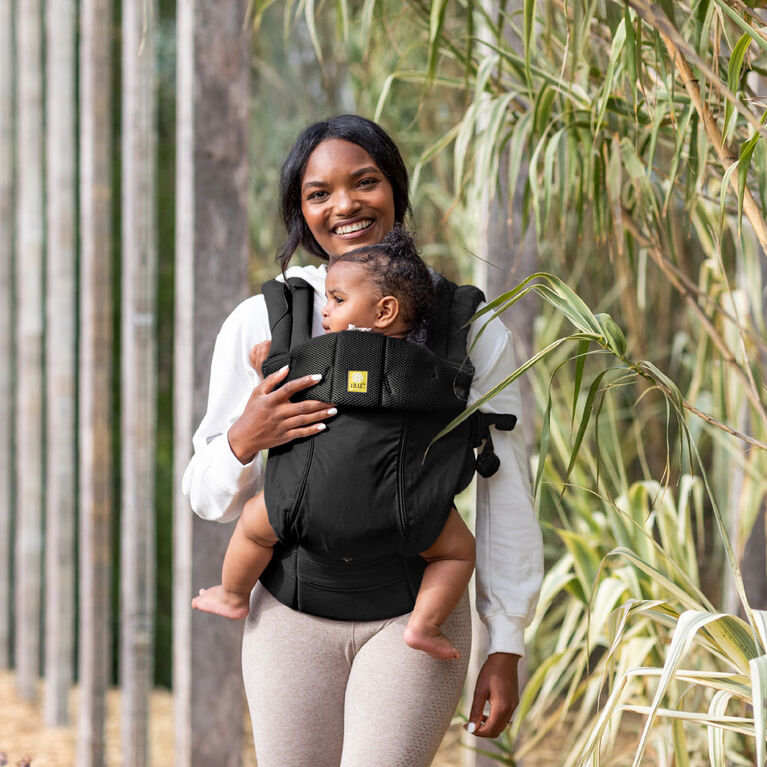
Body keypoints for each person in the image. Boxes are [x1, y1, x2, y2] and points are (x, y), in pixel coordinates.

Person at [182, 115, 543, 766]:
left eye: (364, 182)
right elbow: (206, 497)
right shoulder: (264, 320)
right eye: (318, 192)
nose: (343, 204)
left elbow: (504, 484)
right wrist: (243, 437)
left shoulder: (468, 327)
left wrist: (505, 641)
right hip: (289, 614)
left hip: (412, 621)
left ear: (395, 189)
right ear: (300, 210)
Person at [191, 226, 476, 661]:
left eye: (338, 300)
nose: (326, 310)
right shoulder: (429, 366)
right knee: (457, 554)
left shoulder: (316, 354)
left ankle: (231, 594)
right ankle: (424, 623)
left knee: (252, 525)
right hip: (405, 513)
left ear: (384, 311)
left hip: (302, 506)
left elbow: (284, 379)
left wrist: (263, 362)